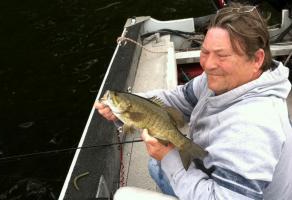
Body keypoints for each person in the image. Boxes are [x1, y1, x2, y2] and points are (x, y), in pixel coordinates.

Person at [94, 3, 292, 200]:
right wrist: (130, 106)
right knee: (156, 166)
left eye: (222, 55)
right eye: (205, 52)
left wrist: (168, 157)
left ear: (257, 59)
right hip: (210, 165)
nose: (208, 65)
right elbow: (180, 98)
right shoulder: (222, 80)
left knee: (126, 193)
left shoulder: (253, 128)